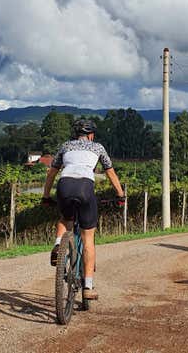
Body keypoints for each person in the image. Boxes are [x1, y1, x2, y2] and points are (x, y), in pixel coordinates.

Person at [41, 118, 125, 300]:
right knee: (88, 238)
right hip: (85, 188)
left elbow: (52, 173)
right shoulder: (98, 147)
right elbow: (110, 172)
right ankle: (87, 287)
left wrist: (46, 196)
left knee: (65, 219)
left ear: (75, 135)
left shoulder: (65, 146)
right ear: (91, 135)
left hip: (65, 185)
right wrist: (120, 195)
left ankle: (57, 245)